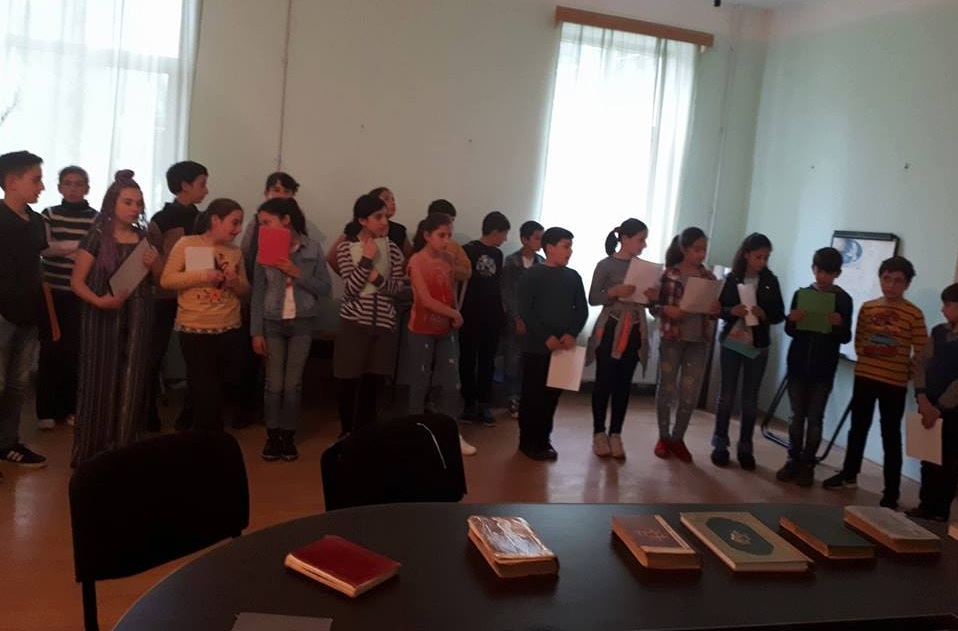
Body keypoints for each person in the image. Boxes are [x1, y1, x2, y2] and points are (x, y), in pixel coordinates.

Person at [70, 170, 160, 466]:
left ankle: (124, 451)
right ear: (112, 203)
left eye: (139, 203)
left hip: (139, 315)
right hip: (102, 316)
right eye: (128, 202)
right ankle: (93, 454)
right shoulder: (96, 237)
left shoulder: (145, 238)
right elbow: (77, 282)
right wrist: (99, 301)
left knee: (132, 379)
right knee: (99, 379)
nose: (134, 208)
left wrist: (155, 264)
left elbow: (159, 280)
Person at [823, 256, 928, 509]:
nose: (891, 285)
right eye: (886, 279)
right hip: (865, 376)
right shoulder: (868, 308)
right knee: (858, 428)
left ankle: (891, 491)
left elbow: (922, 353)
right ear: (880, 279)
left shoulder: (914, 314)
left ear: (907, 284)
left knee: (890, 435)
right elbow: (859, 341)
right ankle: (849, 475)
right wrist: (871, 356)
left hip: (894, 383)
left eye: (898, 281)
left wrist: (906, 373)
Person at [250, 197, 330, 462]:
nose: (263, 228)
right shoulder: (264, 249)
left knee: (293, 384)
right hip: (272, 322)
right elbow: (258, 292)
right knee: (274, 383)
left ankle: (288, 435)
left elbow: (325, 288)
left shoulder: (312, 248)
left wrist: (297, 272)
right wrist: (256, 331)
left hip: (302, 321)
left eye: (267, 222)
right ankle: (272, 435)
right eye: (261, 223)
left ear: (286, 220)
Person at [160, 198, 249, 430]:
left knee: (221, 384)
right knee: (205, 388)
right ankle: (206, 437)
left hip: (229, 326)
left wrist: (234, 282)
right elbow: (166, 280)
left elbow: (245, 289)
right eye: (234, 223)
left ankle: (197, 427)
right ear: (215, 220)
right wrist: (204, 275)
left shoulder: (235, 251)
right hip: (195, 328)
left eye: (240, 223)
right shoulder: (187, 244)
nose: (238, 229)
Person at [776, 247, 852, 487]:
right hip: (798, 364)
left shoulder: (843, 299)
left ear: (837, 274)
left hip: (823, 369)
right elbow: (790, 330)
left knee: (815, 418)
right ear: (813, 269)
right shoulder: (802, 294)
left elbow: (846, 337)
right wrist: (791, 320)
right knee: (796, 415)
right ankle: (793, 459)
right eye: (819, 271)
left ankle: (808, 464)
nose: (822, 277)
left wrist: (839, 325)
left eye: (828, 273)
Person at [711, 233, 785, 470]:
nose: (762, 261)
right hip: (732, 341)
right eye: (758, 257)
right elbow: (718, 309)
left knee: (750, 399)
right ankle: (720, 444)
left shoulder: (770, 280)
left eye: (766, 257)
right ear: (746, 255)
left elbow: (779, 314)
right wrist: (731, 311)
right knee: (726, 395)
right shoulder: (731, 278)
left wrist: (764, 314)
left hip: (758, 344)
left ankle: (745, 447)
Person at [404, 213, 476, 455]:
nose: (446, 241)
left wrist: (454, 311)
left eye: (449, 235)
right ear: (427, 235)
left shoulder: (448, 260)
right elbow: (425, 299)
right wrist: (453, 313)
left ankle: (452, 433)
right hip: (421, 329)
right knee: (420, 381)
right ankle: (415, 433)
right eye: (441, 235)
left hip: (446, 330)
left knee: (452, 383)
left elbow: (450, 290)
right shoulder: (416, 261)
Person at [334, 194, 405, 434]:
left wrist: (377, 278)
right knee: (348, 380)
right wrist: (366, 260)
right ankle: (347, 432)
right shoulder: (346, 248)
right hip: (354, 322)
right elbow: (351, 288)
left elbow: (397, 289)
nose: (384, 222)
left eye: (385, 216)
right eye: (378, 217)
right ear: (363, 220)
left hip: (383, 324)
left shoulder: (393, 250)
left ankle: (367, 434)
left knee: (373, 382)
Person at [586, 219, 656, 459]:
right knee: (603, 381)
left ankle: (616, 433)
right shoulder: (605, 265)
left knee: (624, 384)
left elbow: (651, 305)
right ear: (624, 239)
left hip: (636, 328)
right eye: (640, 239)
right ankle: (599, 432)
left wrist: (652, 297)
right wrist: (614, 292)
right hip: (610, 327)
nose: (644, 245)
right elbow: (593, 297)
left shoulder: (644, 268)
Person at [147, 160, 209, 431]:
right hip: (162, 296)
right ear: (185, 186)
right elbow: (151, 259)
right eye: (202, 184)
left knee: (198, 358)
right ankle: (147, 413)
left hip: (195, 296)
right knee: (152, 355)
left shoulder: (204, 220)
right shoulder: (160, 220)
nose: (206, 190)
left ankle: (191, 413)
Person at [517, 226, 588, 461]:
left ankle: (544, 439)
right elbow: (526, 310)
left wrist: (571, 333)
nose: (570, 251)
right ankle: (528, 441)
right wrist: (545, 336)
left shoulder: (573, 277)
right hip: (537, 347)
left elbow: (581, 310)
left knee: (552, 397)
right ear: (550, 248)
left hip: (564, 348)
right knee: (533, 395)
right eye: (566, 246)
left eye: (571, 246)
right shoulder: (532, 275)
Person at [36, 166, 99, 430]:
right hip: (52, 293)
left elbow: (96, 253)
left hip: (81, 293)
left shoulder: (96, 218)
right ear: (60, 187)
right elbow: (43, 249)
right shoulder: (48, 214)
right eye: (68, 183)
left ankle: (72, 407)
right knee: (51, 351)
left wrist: (64, 249)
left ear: (87, 188)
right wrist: (75, 249)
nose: (73, 189)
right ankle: (46, 411)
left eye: (79, 184)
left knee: (77, 352)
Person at [650, 227, 720, 462]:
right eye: (696, 249)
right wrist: (666, 309)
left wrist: (715, 310)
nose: (701, 254)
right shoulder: (669, 275)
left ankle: (678, 438)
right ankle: (663, 437)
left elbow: (713, 313)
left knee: (690, 392)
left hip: (698, 341)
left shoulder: (709, 278)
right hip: (672, 338)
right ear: (684, 249)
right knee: (666, 388)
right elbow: (653, 306)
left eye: (704, 250)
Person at [0, 150, 48, 469]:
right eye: (36, 179)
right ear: (12, 182)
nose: (41, 186)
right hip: (2, 315)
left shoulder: (37, 221)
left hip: (29, 313)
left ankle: (7, 443)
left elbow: (36, 261)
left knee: (17, 384)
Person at [907, 283, 958, 522]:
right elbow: (920, 363)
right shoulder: (938, 332)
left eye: (948, 305)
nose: (943, 309)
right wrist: (922, 397)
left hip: (951, 411)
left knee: (948, 461)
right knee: (927, 457)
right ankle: (925, 505)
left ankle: (940, 511)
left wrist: (939, 408)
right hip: (928, 403)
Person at [459, 211, 511, 426]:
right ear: (495, 231)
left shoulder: (498, 255)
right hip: (470, 313)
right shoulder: (468, 250)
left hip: (492, 315)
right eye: (504, 234)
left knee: (488, 361)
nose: (505, 239)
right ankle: (468, 403)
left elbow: (498, 285)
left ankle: (484, 403)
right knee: (468, 359)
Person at [501, 220, 544, 418]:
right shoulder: (512, 262)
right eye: (537, 238)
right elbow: (508, 293)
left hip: (536, 320)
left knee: (530, 359)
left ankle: (527, 397)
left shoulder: (541, 262)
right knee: (513, 358)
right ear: (525, 239)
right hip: (516, 318)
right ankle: (512, 397)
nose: (540, 242)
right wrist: (517, 318)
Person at [326, 186, 413, 274]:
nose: (392, 203)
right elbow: (331, 258)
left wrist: (399, 272)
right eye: (386, 199)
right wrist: (349, 276)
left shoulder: (398, 230)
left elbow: (411, 257)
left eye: (393, 199)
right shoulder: (354, 230)